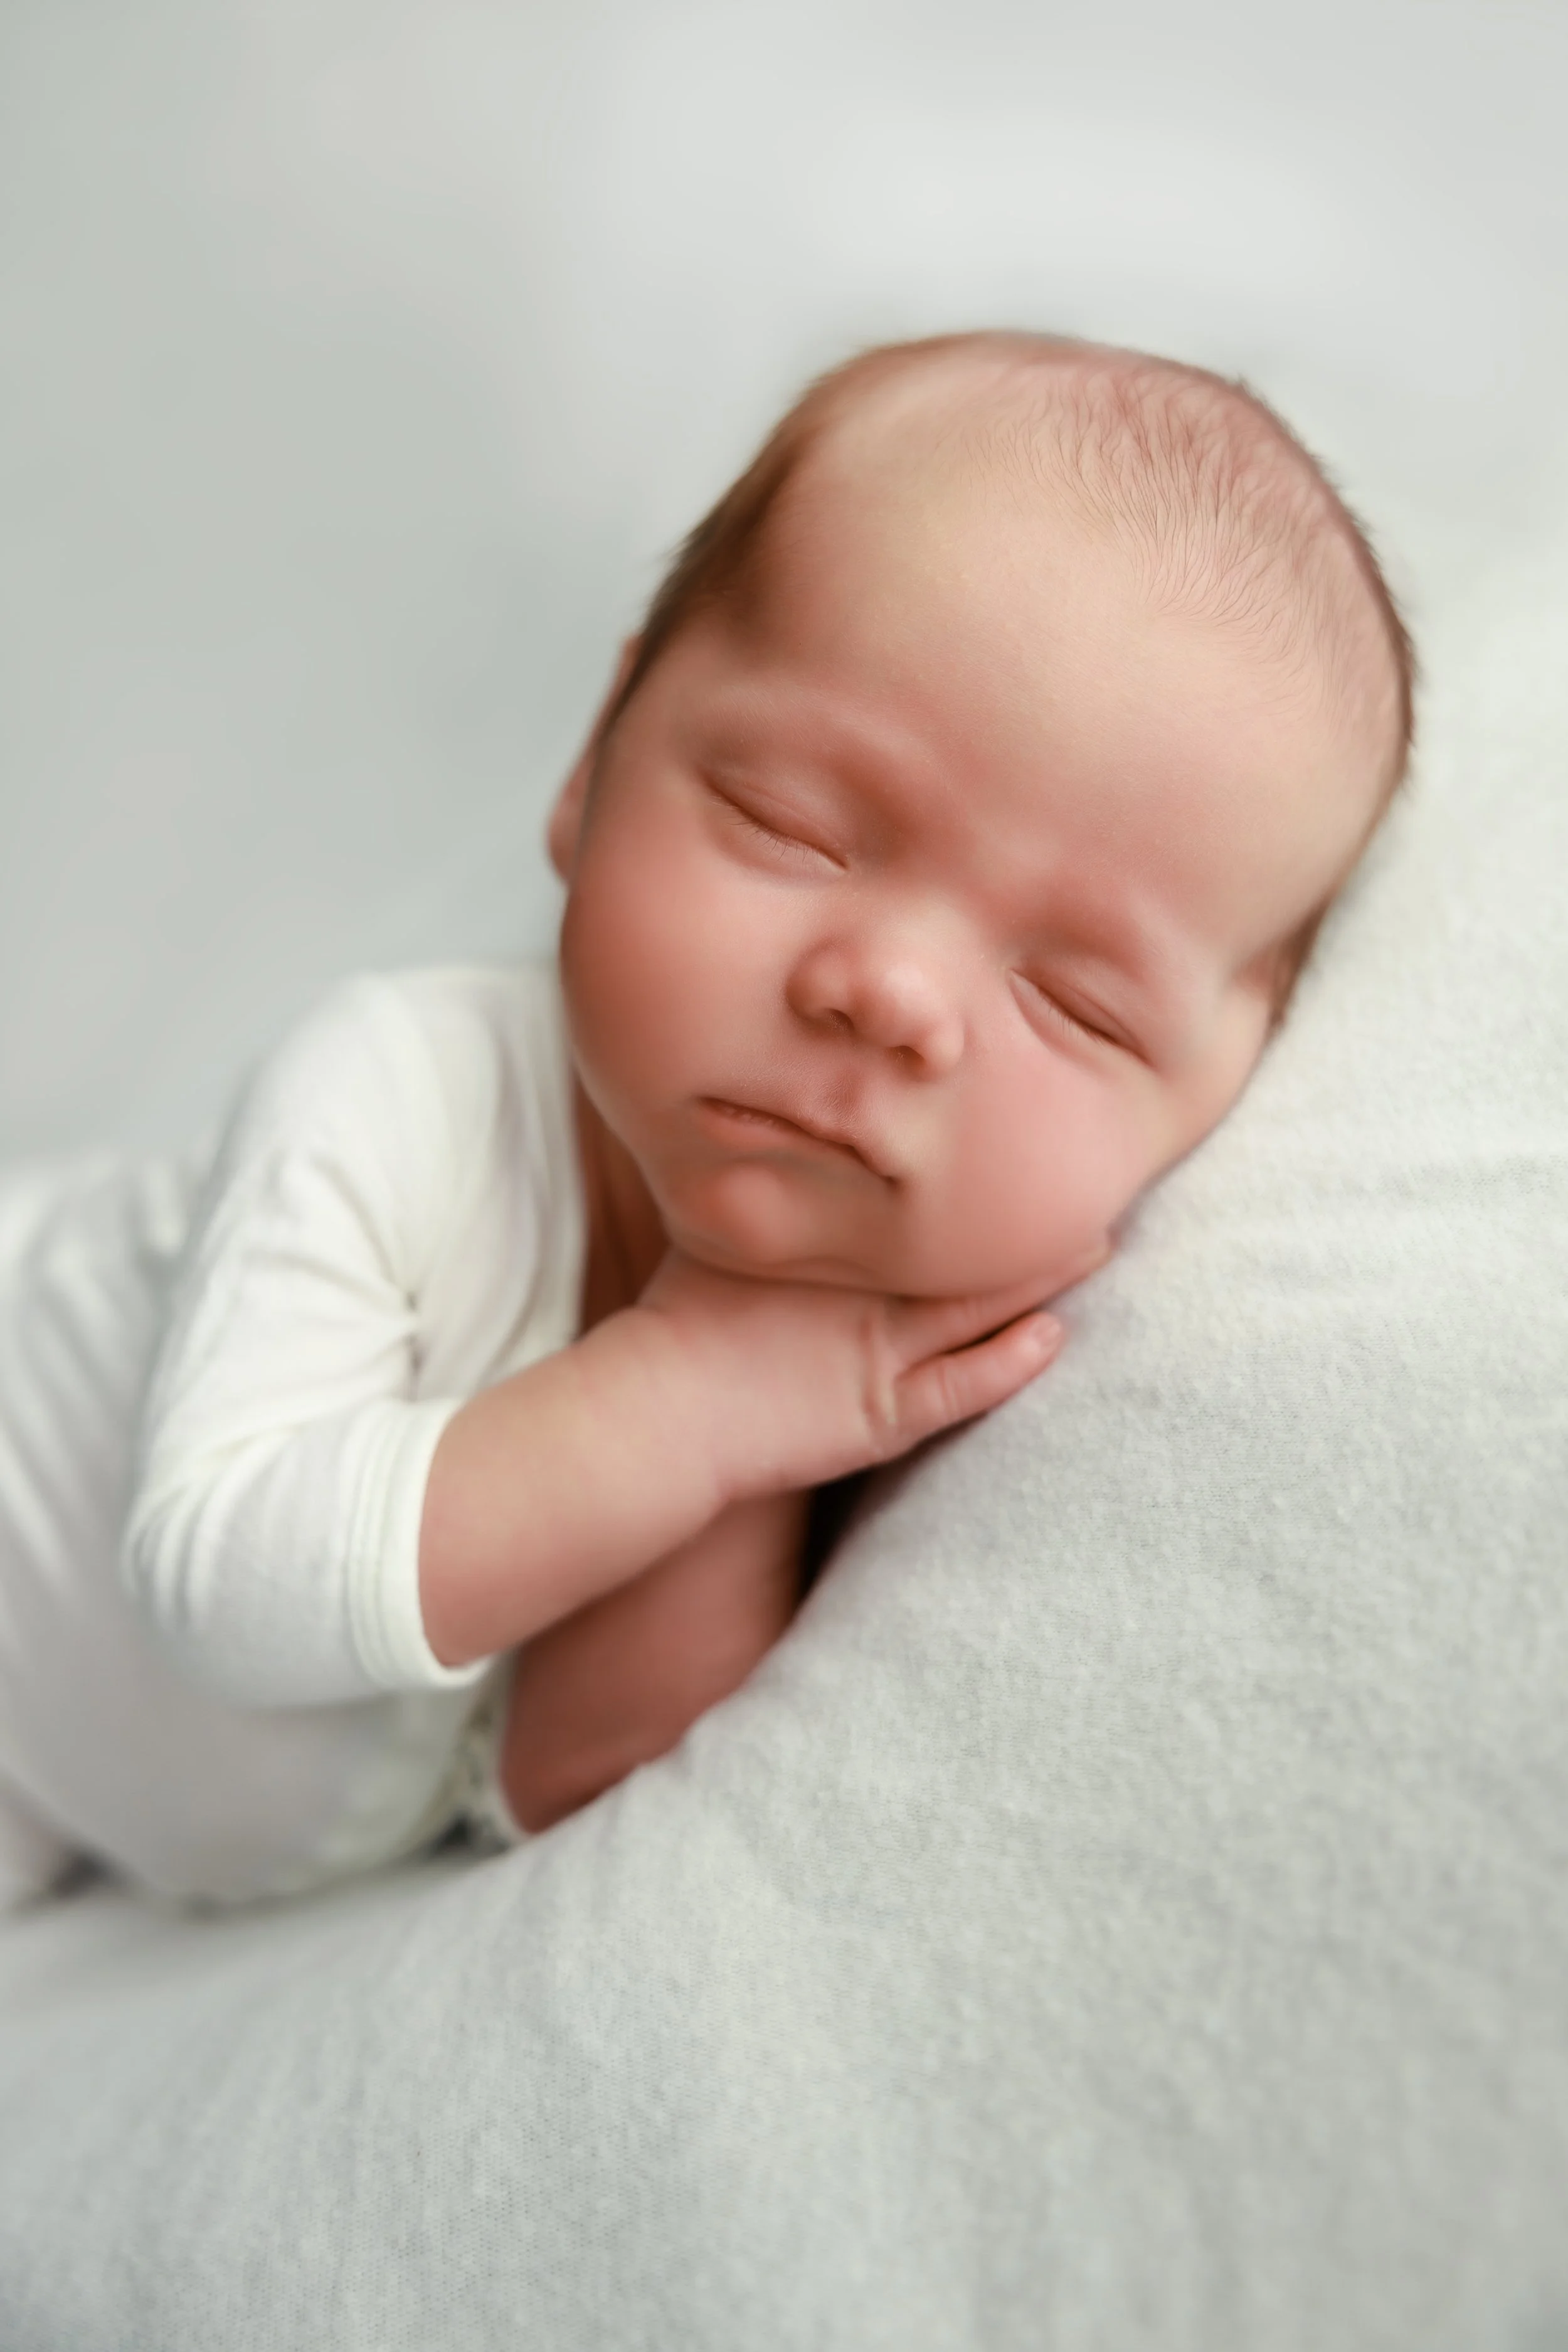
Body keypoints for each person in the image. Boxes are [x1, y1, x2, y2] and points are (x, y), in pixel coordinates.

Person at [0, 332, 1414, 1909]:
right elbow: (222, 1576)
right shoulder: (395, 1093)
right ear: (596, 760)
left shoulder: (814, 1371)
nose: (891, 992)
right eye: (790, 825)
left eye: (1073, 1003)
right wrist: (684, 1397)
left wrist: (740, 1417)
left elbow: (571, 1785)